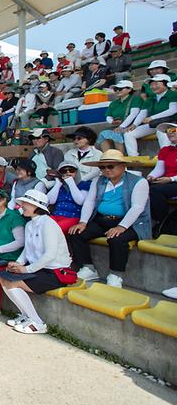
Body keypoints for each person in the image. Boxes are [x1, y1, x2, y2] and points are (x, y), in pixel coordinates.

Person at [68, 150, 152, 288]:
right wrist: (83, 222)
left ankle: (115, 274)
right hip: (103, 220)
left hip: (132, 223)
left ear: (123, 165)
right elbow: (89, 201)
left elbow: (137, 207)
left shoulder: (139, 182)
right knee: (76, 233)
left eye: (110, 166)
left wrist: (122, 226)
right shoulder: (98, 180)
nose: (106, 170)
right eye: (102, 167)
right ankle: (88, 268)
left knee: (117, 238)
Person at [0, 190, 73, 335]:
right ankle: (26, 316)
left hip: (55, 272)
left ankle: (37, 323)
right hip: (39, 269)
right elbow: (27, 250)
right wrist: (17, 263)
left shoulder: (48, 224)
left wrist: (27, 270)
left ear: (36, 206)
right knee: (4, 277)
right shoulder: (30, 225)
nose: (22, 206)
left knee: (13, 282)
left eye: (26, 203)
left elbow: (50, 255)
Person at [124, 73, 177, 156]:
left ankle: (166, 157)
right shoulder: (151, 98)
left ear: (166, 84)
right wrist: (135, 124)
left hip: (171, 123)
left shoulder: (172, 94)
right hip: (155, 124)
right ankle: (134, 158)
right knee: (129, 133)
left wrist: (152, 117)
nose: (153, 86)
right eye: (151, 84)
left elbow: (173, 110)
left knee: (163, 132)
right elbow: (143, 112)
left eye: (156, 84)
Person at [96, 80, 143, 152]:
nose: (117, 91)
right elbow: (108, 116)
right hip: (117, 126)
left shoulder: (135, 99)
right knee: (103, 134)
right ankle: (107, 156)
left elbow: (133, 114)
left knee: (116, 134)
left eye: (120, 89)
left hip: (131, 126)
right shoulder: (114, 103)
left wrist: (121, 127)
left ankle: (120, 156)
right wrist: (112, 122)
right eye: (116, 89)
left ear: (129, 89)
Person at [47, 161, 91, 234]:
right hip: (56, 215)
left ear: (76, 172)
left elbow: (81, 201)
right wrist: (58, 184)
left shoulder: (84, 184)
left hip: (73, 217)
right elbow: (50, 201)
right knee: (42, 226)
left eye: (71, 170)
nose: (68, 173)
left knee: (55, 231)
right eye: (64, 171)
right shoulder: (59, 186)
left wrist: (71, 183)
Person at [147, 123, 177, 223]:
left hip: (173, 181)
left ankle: (161, 221)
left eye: (173, 130)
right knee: (140, 185)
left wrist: (171, 179)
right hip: (168, 181)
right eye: (166, 131)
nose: (169, 133)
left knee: (154, 191)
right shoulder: (165, 150)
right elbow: (159, 169)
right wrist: (151, 176)